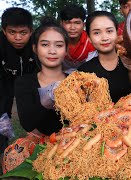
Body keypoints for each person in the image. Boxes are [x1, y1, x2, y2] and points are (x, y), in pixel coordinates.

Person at [2, 17, 69, 174]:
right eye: (45, 45)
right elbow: (27, 123)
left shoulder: (76, 80)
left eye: (59, 45)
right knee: (14, 156)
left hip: (69, 142)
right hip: (37, 143)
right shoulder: (24, 82)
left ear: (66, 50)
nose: (52, 51)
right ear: (35, 48)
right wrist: (46, 102)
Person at [78, 11, 131, 103]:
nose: (104, 38)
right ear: (89, 38)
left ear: (117, 32)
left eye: (109, 31)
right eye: (96, 33)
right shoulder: (83, 72)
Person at [0, 7, 36, 163]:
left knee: (35, 115)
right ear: (3, 31)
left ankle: (37, 151)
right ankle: (2, 152)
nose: (17, 38)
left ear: (31, 31)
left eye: (23, 33)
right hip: (3, 81)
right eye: (12, 32)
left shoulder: (36, 44)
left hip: (29, 80)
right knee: (2, 116)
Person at [59, 4, 96, 73]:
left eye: (77, 23)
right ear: (61, 24)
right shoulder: (55, 40)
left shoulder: (91, 40)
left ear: (83, 25)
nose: (72, 27)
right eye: (68, 23)